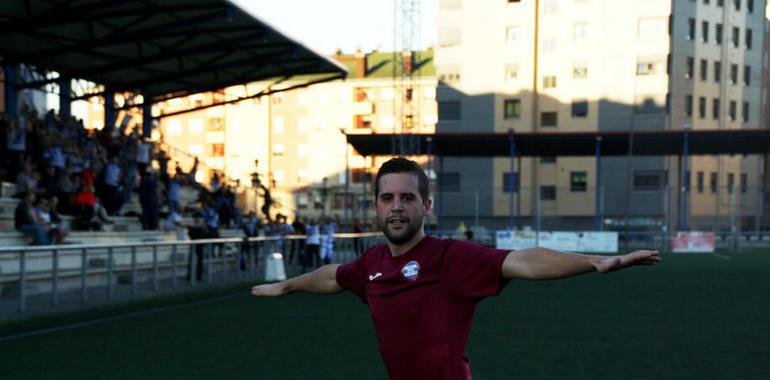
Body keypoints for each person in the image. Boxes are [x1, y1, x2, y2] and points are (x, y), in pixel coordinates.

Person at [251, 157, 661, 380]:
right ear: (375, 206)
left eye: (408, 198)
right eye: (388, 198)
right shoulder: (371, 264)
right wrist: (287, 285)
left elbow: (522, 261)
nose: (397, 206)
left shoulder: (450, 258)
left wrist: (596, 262)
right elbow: (333, 276)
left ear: (426, 206)